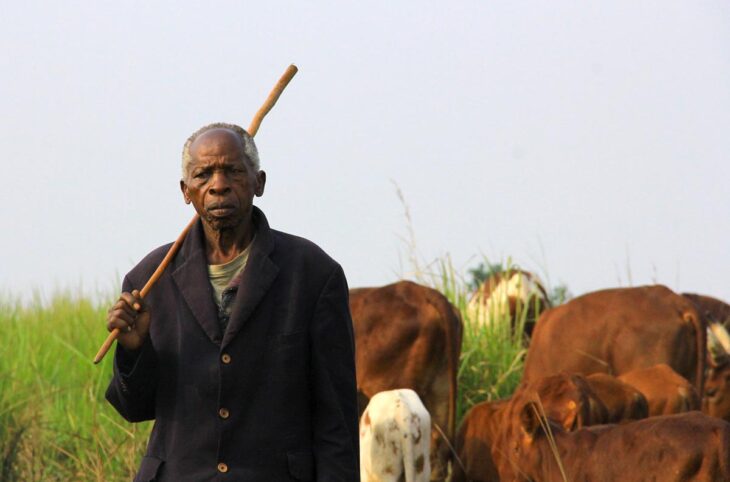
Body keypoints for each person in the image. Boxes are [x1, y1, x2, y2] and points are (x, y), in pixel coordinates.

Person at [105, 123, 359, 481]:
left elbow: (337, 421)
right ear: (186, 191)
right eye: (203, 174)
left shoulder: (313, 274)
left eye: (233, 171)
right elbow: (135, 408)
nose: (218, 184)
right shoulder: (149, 282)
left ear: (259, 182)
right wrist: (133, 351)